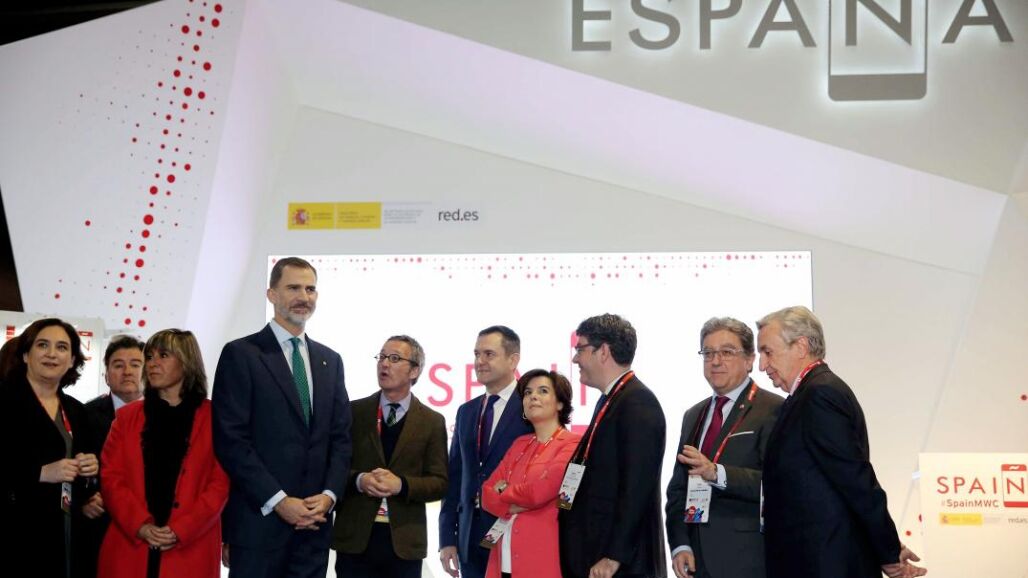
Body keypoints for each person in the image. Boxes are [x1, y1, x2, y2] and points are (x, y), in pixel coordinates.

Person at [756, 306, 926, 578]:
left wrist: (888, 550)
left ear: (801, 346)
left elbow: (856, 481)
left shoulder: (819, 395)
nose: (762, 365)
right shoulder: (808, 394)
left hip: (825, 564)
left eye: (768, 352)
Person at [212, 256, 352, 578]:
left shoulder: (330, 360)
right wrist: (279, 501)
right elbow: (231, 440)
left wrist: (329, 495)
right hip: (259, 527)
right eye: (293, 288)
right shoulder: (242, 354)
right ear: (271, 294)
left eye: (310, 289)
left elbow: (341, 438)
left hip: (313, 530)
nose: (304, 297)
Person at [97, 329, 229, 578]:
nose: (152, 363)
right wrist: (140, 525)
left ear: (187, 361)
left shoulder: (216, 418)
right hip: (130, 546)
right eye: (149, 357)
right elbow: (111, 478)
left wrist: (182, 529)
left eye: (163, 355)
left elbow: (220, 484)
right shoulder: (126, 418)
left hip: (191, 547)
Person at [665, 317, 783, 578]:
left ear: (750, 360)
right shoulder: (693, 415)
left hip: (746, 559)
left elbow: (778, 484)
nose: (715, 361)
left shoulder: (773, 409)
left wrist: (717, 473)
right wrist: (680, 544)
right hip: (696, 560)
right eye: (708, 353)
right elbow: (677, 489)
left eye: (727, 352)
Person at [558, 313, 667, 578]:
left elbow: (637, 487)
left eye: (580, 349)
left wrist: (614, 555)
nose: (575, 359)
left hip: (619, 565)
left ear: (603, 351)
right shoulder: (612, 400)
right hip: (598, 554)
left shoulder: (638, 403)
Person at [332, 335, 449, 577]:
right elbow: (333, 467)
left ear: (414, 370)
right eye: (382, 357)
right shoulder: (353, 412)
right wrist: (359, 480)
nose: (384, 364)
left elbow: (439, 483)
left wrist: (401, 485)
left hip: (404, 543)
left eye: (395, 358)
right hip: (355, 540)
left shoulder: (432, 421)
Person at [0, 317, 100, 578]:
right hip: (16, 533)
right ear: (25, 355)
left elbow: (84, 477)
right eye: (42, 345)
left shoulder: (77, 410)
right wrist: (40, 473)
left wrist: (90, 470)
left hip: (66, 529)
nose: (52, 354)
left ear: (72, 360)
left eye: (62, 347)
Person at [439, 326, 532, 578]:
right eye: (476, 354)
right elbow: (455, 477)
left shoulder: (531, 407)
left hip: (514, 537)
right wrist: (447, 538)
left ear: (513, 360)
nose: (479, 361)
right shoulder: (466, 411)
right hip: (469, 540)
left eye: (489, 354)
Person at [481, 369, 581, 578]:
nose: (533, 396)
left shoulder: (573, 444)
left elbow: (540, 492)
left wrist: (504, 491)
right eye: (528, 392)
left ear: (560, 404)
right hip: (503, 556)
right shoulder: (519, 444)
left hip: (542, 557)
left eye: (543, 391)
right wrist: (512, 503)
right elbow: (487, 493)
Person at [79, 335, 147, 578]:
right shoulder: (83, 415)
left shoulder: (167, 416)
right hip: (99, 526)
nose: (127, 371)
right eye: (118, 365)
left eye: (135, 364)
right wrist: (84, 500)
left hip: (150, 526)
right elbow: (75, 465)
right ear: (106, 375)